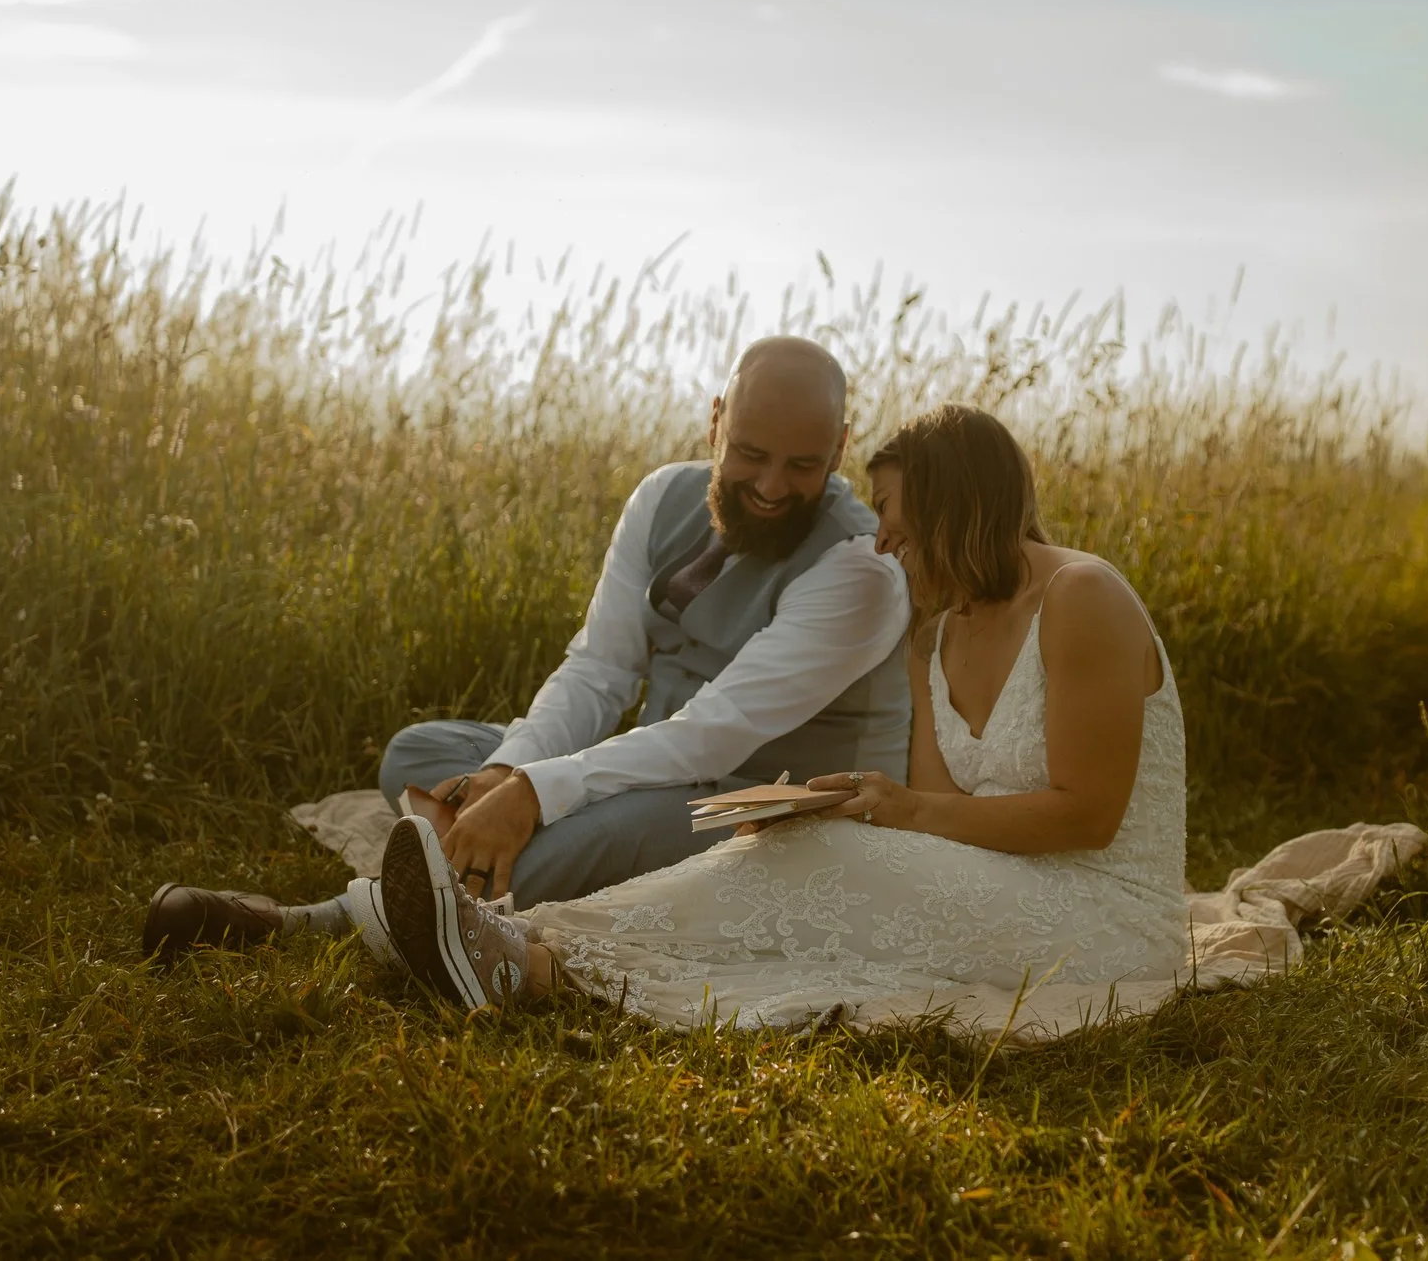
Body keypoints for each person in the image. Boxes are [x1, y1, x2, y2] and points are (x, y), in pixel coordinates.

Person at [367, 401, 1194, 1031]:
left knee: (824, 864)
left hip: (1102, 914)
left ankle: (530, 953)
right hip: (1000, 882)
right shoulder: (934, 630)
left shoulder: (1083, 597)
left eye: (891, 509)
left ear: (949, 506)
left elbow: (1089, 815)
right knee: (802, 843)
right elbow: (951, 819)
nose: (880, 539)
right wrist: (862, 802)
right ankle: (523, 949)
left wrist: (896, 811)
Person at [142, 336, 913, 963]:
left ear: (841, 448)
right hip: (655, 766)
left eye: (803, 465)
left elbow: (715, 733)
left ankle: (308, 923)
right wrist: (510, 772)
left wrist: (539, 796)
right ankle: (478, 848)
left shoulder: (860, 568)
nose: (772, 486)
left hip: (759, 802)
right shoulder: (661, 499)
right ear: (715, 421)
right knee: (419, 754)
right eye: (750, 453)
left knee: (559, 842)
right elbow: (602, 668)